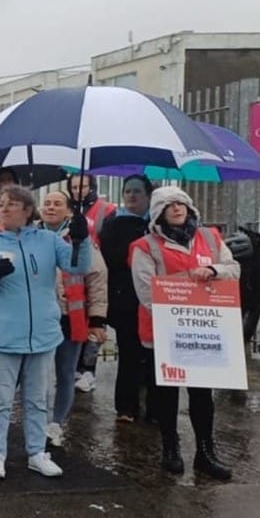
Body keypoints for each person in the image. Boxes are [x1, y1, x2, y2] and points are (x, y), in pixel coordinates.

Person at [0, 185, 92, 479]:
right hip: (2, 337)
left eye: (11, 204)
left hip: (43, 335)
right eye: (1, 204)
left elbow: (78, 266)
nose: (3, 209)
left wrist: (81, 240)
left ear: (27, 210)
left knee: (37, 398)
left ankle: (36, 452)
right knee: (0, 399)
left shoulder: (48, 240)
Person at [129, 187, 237, 480]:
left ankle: (205, 451)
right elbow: (146, 290)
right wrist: (182, 298)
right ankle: (170, 448)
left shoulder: (211, 238)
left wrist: (213, 271)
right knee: (166, 393)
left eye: (181, 203)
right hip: (162, 332)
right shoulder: (145, 246)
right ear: (158, 212)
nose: (177, 208)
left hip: (204, 332)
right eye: (168, 205)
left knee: (202, 394)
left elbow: (233, 268)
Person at [37, 191, 108, 447]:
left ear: (69, 211)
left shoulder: (79, 238)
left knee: (65, 372)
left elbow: (97, 278)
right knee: (38, 375)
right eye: (46, 203)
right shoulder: (31, 235)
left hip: (70, 316)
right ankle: (38, 422)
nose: (51, 207)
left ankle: (56, 424)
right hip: (39, 317)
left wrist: (97, 319)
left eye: (57, 203)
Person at [99, 175, 156, 423]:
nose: (131, 195)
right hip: (126, 299)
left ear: (148, 195)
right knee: (129, 353)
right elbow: (111, 257)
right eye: (127, 191)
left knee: (154, 355)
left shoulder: (157, 223)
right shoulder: (114, 224)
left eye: (137, 191)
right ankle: (126, 406)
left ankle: (154, 407)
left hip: (155, 300)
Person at [69, 173, 116, 392]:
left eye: (82, 186)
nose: (78, 191)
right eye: (74, 187)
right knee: (75, 321)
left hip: (97, 271)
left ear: (92, 187)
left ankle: (89, 369)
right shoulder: (69, 209)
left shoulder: (106, 211)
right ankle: (73, 368)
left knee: (95, 321)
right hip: (72, 272)